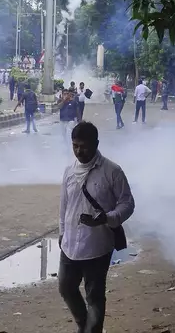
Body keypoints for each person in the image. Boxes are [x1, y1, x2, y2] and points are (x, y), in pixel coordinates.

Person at [59, 122, 135, 333]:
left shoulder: (112, 171)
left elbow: (128, 204)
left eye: (83, 146)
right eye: (75, 146)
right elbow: (64, 206)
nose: (78, 151)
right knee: (65, 288)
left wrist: (108, 218)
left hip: (98, 246)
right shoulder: (69, 171)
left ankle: (92, 330)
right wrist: (62, 232)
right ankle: (85, 326)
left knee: (94, 296)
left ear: (96, 144)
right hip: (70, 245)